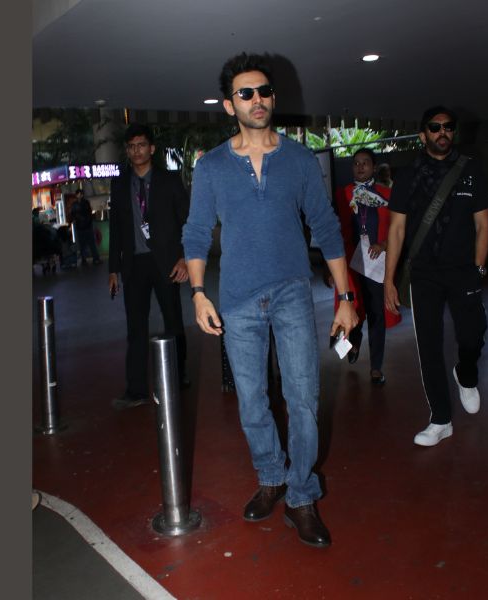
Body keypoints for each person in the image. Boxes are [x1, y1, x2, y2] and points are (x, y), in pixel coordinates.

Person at [182, 52, 358, 548]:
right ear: (229, 104)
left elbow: (326, 228)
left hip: (292, 292)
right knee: (252, 401)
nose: (256, 100)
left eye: (263, 91)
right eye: (246, 93)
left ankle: (301, 496)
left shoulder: (299, 160)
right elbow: (196, 232)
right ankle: (271, 475)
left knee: (303, 399)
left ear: (272, 98)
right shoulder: (211, 167)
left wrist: (346, 297)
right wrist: (199, 294)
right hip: (238, 298)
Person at [383, 105, 488, 447]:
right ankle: (441, 420)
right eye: (434, 127)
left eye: (447, 127)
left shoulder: (471, 170)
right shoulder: (408, 176)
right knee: (428, 347)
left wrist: (478, 267)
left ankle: (466, 374)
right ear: (423, 135)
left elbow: (483, 224)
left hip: (464, 271)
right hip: (424, 274)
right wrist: (389, 280)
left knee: (473, 335)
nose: (442, 132)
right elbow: (396, 230)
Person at [108, 123, 191, 409]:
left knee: (173, 321)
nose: (136, 151)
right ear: (127, 150)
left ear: (152, 148)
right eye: (131, 146)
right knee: (135, 328)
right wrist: (113, 269)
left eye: (141, 145)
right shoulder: (120, 185)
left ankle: (178, 377)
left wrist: (184, 257)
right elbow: (116, 229)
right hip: (134, 265)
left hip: (166, 262)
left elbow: (187, 221)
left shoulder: (169, 181)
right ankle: (136, 389)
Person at [332, 148, 401, 386]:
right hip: (351, 264)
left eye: (365, 163)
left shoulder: (387, 194)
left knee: (376, 313)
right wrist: (330, 268)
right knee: (353, 306)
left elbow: (398, 229)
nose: (360, 167)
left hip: (376, 263)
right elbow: (334, 230)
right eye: (356, 163)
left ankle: (376, 367)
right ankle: (355, 339)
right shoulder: (343, 194)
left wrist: (384, 244)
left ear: (374, 167)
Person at [70, 188, 102, 265]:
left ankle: (84, 260)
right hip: (87, 226)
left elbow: (72, 215)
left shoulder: (74, 204)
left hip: (79, 227)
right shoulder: (86, 203)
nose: (79, 195)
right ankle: (95, 258)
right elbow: (89, 213)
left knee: (82, 245)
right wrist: (88, 221)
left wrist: (77, 220)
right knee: (91, 243)